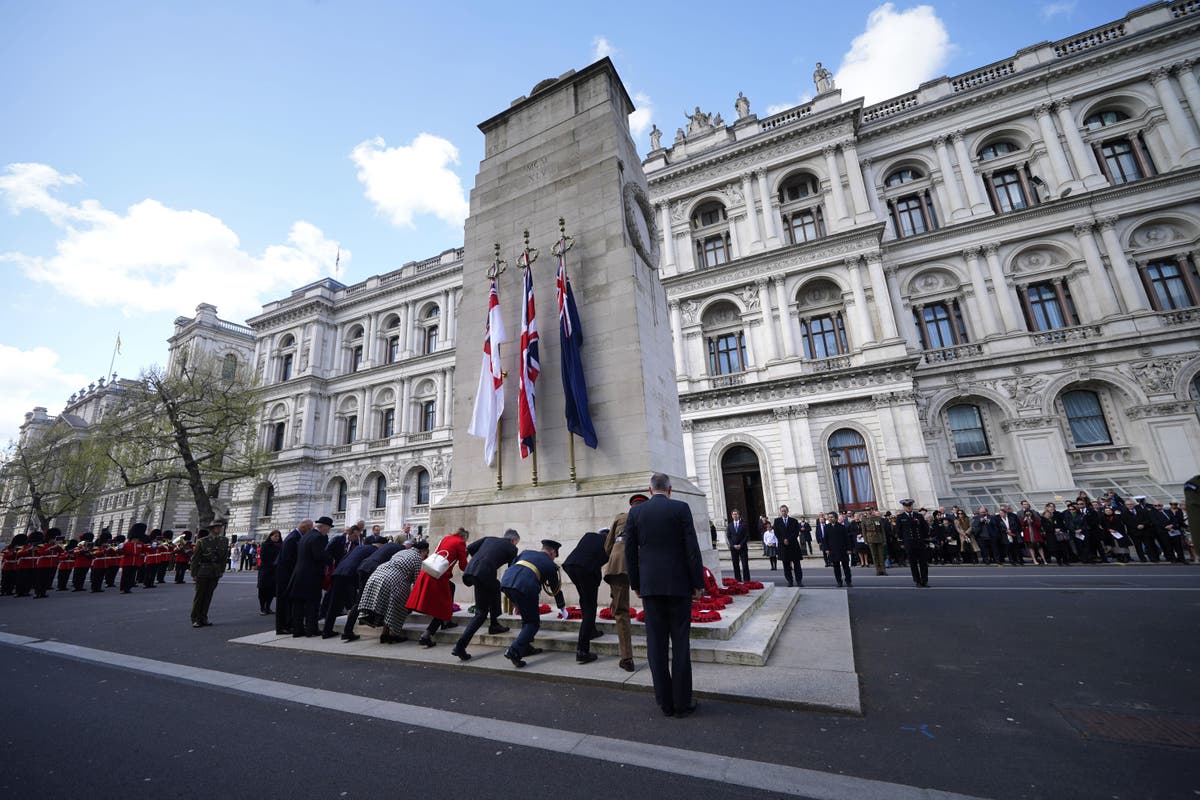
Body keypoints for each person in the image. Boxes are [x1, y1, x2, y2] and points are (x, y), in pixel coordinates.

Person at [626, 472, 704, 718]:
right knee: (680, 643)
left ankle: (664, 701)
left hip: (650, 586)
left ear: (650, 491)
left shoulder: (636, 512)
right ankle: (682, 701)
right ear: (670, 489)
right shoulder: (681, 508)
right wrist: (697, 582)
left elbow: (630, 553)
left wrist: (636, 584)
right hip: (679, 585)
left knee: (656, 645)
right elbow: (692, 547)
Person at [451, 529, 520, 661]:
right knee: (481, 614)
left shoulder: (488, 538)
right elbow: (512, 570)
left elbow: (468, 549)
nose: (515, 545)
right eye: (516, 543)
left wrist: (475, 563)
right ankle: (460, 646)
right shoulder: (512, 548)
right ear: (513, 540)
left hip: (471, 572)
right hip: (484, 574)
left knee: (495, 587)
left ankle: (494, 624)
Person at [500, 539, 568, 668]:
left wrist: (514, 600)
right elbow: (555, 589)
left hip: (507, 582)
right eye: (554, 556)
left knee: (527, 619)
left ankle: (526, 648)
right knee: (533, 623)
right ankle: (514, 651)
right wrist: (562, 607)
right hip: (526, 587)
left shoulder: (526, 552)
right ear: (553, 553)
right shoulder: (550, 564)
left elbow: (513, 565)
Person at [604, 493, 647, 673]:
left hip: (619, 563)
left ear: (631, 506)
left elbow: (607, 546)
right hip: (644, 564)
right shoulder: (649, 516)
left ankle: (627, 658)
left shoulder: (621, 517)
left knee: (621, 612)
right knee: (652, 609)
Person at [408, 527, 469, 647]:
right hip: (439, 576)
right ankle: (427, 634)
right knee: (443, 606)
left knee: (451, 588)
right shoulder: (460, 542)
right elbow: (463, 566)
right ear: (464, 537)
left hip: (429, 570)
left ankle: (447, 621)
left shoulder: (446, 538)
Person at [357, 540, 428, 643]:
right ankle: (393, 634)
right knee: (397, 608)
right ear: (423, 551)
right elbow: (417, 580)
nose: (426, 556)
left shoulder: (402, 552)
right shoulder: (417, 558)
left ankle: (385, 634)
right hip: (394, 579)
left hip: (377, 575)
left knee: (387, 606)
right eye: (426, 553)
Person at [321, 533, 382, 638]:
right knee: (358, 602)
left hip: (339, 572)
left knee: (334, 603)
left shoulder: (358, 547)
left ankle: (327, 631)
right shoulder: (374, 550)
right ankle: (348, 631)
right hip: (351, 575)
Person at [563, 529, 608, 664]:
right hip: (586, 570)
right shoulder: (608, 542)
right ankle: (582, 651)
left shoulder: (589, 536)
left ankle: (592, 631)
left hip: (570, 565)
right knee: (590, 608)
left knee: (585, 600)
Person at [289, 516, 334, 637]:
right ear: (323, 527)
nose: (328, 531)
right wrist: (331, 560)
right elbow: (318, 556)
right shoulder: (318, 537)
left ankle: (297, 630)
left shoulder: (306, 536)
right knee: (312, 604)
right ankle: (311, 629)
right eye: (328, 528)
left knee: (298, 604)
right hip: (311, 576)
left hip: (299, 574)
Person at [190, 521, 230, 627]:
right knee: (199, 596)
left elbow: (224, 557)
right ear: (212, 529)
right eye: (217, 527)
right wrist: (194, 574)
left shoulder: (224, 540)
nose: (219, 529)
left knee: (208, 595)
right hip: (203, 571)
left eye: (220, 527)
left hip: (215, 571)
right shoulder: (202, 541)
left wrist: (222, 570)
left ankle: (203, 617)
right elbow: (195, 559)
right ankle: (195, 618)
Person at [275, 519, 310, 635]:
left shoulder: (295, 536)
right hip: (285, 575)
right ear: (304, 527)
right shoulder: (293, 538)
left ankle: (288, 624)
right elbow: (287, 560)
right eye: (309, 529)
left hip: (288, 574)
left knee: (289, 602)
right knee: (283, 602)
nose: (310, 532)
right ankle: (282, 627)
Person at [895, 499, 930, 587]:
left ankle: (924, 580)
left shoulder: (918, 516)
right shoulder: (900, 517)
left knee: (923, 563)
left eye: (910, 506)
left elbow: (925, 528)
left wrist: (925, 539)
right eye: (907, 506)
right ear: (904, 507)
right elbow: (898, 531)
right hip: (909, 543)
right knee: (913, 563)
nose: (909, 507)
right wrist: (902, 542)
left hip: (919, 542)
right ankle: (917, 580)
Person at [773, 505, 803, 587]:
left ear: (787, 511)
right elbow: (776, 533)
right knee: (786, 565)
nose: (783, 512)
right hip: (783, 546)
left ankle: (799, 580)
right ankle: (790, 581)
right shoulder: (777, 521)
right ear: (780, 512)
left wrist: (788, 539)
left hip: (793, 545)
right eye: (782, 511)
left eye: (785, 511)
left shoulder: (794, 521)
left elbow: (796, 532)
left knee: (797, 565)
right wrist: (783, 540)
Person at [257, 530, 282, 615]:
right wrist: (272, 564)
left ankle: (268, 607)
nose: (276, 538)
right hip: (266, 571)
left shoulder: (280, 545)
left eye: (278, 536)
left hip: (275, 571)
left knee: (272, 591)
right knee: (263, 590)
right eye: (275, 536)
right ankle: (262, 608)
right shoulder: (266, 545)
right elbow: (263, 557)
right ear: (270, 536)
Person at [825, 512, 853, 587]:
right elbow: (825, 539)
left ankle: (848, 581)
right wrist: (826, 549)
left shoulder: (842, 527)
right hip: (833, 550)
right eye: (829, 517)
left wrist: (848, 549)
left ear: (836, 518)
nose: (830, 519)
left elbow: (847, 539)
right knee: (836, 567)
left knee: (846, 567)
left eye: (832, 517)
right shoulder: (827, 527)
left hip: (843, 550)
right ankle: (839, 581)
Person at [725, 509, 750, 582]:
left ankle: (746, 579)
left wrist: (740, 544)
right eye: (733, 514)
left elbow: (746, 536)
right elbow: (728, 536)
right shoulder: (730, 525)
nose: (735, 516)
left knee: (745, 564)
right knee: (735, 564)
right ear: (732, 516)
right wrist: (733, 545)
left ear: (739, 515)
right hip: (734, 548)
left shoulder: (744, 524)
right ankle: (738, 579)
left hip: (742, 547)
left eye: (736, 514)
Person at [861, 508, 887, 575]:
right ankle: (878, 570)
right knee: (874, 555)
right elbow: (864, 531)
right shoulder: (864, 519)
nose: (869, 511)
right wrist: (865, 540)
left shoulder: (878, 518)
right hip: (870, 538)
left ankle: (883, 570)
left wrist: (884, 539)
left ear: (872, 511)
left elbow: (882, 530)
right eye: (867, 510)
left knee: (881, 555)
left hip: (879, 537)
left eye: (870, 510)